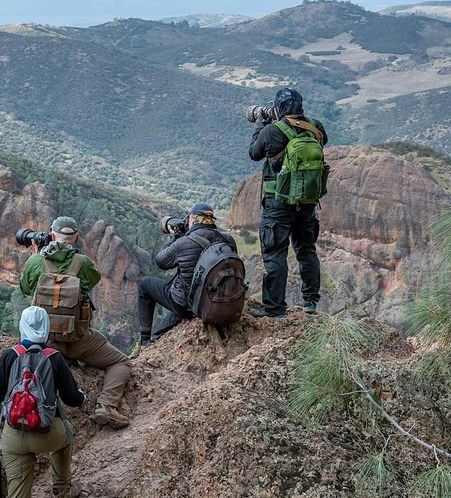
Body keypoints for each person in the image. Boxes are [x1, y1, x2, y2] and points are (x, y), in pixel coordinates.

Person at [0, 306, 87, 498]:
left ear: (22, 326)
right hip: (46, 435)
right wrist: (83, 397)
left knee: (17, 493)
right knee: (65, 435)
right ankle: (62, 489)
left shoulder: (9, 355)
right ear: (45, 327)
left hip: (13, 438)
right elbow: (71, 398)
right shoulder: (53, 357)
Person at [19, 216, 132, 429]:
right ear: (76, 237)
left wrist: (37, 255)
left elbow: (25, 289)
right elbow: (91, 283)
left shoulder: (35, 262)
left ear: (52, 235)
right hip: (78, 339)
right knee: (120, 362)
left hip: (45, 342)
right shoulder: (84, 263)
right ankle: (106, 405)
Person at [248, 88, 327, 318]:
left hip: (278, 202)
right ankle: (310, 302)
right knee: (306, 250)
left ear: (279, 107)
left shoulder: (272, 131)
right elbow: (323, 144)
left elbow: (254, 153)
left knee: (275, 253)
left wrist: (261, 124)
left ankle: (274, 308)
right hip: (307, 203)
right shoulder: (316, 127)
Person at [136, 202, 238, 346]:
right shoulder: (227, 239)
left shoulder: (184, 242)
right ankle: (156, 336)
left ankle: (145, 340)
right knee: (160, 330)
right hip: (217, 301)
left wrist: (175, 236)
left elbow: (161, 262)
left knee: (144, 285)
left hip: (188, 307)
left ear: (192, 219)